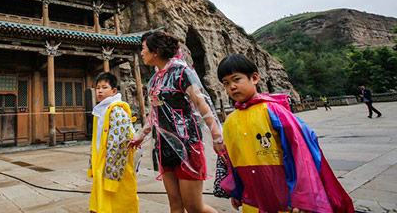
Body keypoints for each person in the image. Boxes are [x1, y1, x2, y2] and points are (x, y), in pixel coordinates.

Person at [217, 54, 354, 213]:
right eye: (226, 83)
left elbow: (301, 155)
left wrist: (302, 197)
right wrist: (237, 191)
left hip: (284, 197)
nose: (231, 87)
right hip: (252, 198)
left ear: (254, 78)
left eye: (236, 79)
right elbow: (233, 160)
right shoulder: (230, 121)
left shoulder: (273, 111)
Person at [130, 31, 224, 213]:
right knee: (175, 205)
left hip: (187, 144)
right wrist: (141, 135)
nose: (141, 53)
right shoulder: (155, 80)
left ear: (155, 51)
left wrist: (217, 136)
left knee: (194, 207)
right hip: (164, 146)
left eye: (143, 48)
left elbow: (201, 103)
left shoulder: (181, 72)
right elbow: (156, 113)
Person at [88, 72, 139, 213]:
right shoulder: (101, 110)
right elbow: (95, 142)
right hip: (102, 163)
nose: (99, 90)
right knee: (100, 203)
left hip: (114, 167)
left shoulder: (117, 111)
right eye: (97, 87)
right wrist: (93, 164)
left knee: (117, 203)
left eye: (104, 87)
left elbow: (119, 145)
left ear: (114, 91)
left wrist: (113, 173)